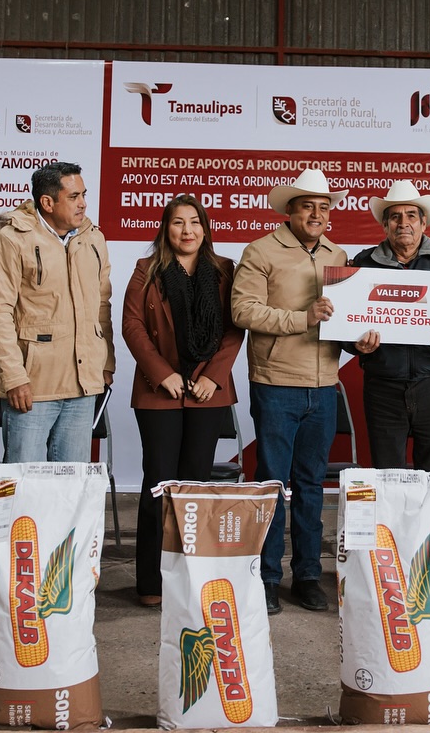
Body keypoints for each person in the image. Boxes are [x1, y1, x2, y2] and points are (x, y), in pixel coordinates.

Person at [230, 168, 348, 615]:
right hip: (276, 383)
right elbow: (243, 311)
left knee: (312, 486)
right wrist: (304, 318)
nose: (317, 214)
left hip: (325, 385)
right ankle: (265, 577)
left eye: (323, 207)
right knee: (272, 485)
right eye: (307, 206)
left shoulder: (338, 254)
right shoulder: (260, 251)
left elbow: (346, 318)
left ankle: (308, 576)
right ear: (290, 210)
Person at [122, 195, 244, 608]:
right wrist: (163, 373)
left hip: (208, 392)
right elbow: (133, 326)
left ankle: (190, 577)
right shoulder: (147, 270)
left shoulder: (225, 270)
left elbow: (234, 327)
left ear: (206, 229)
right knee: (158, 481)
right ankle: (151, 584)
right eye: (178, 223)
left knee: (195, 483)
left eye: (195, 222)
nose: (187, 230)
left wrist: (213, 375)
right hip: (160, 391)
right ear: (165, 228)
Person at [0, 161, 114, 463]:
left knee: (71, 487)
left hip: (84, 383)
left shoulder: (92, 238)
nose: (83, 204)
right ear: (47, 202)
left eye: (84, 195)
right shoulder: (10, 238)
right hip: (33, 386)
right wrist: (14, 377)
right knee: (24, 485)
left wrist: (106, 361)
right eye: (73, 197)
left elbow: (101, 306)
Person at [347, 181, 430, 470]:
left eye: (411, 216)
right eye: (395, 216)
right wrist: (354, 344)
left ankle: (428, 519)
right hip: (383, 385)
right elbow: (345, 324)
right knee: (387, 474)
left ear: (424, 222)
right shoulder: (363, 263)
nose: (404, 223)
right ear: (385, 224)